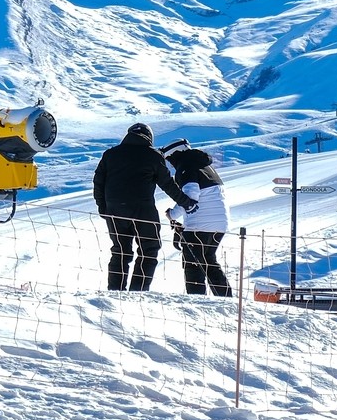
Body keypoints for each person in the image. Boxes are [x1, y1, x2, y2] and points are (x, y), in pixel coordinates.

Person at [92, 122, 191, 292]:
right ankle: (138, 292)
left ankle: (114, 292)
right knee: (149, 249)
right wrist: (186, 202)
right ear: (149, 137)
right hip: (142, 209)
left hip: (114, 210)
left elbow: (98, 182)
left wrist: (103, 208)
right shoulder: (153, 155)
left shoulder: (110, 154)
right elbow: (167, 184)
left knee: (120, 251)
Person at [161, 140, 232, 296]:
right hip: (220, 224)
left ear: (175, 154)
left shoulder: (187, 166)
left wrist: (172, 214)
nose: (170, 164)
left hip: (199, 225)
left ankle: (197, 301)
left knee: (192, 265)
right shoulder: (206, 166)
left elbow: (190, 197)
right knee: (209, 261)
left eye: (169, 159)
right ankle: (225, 298)